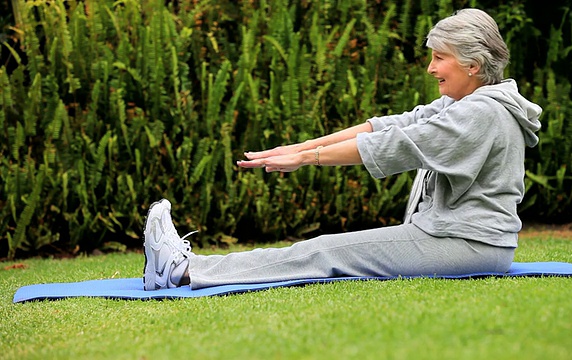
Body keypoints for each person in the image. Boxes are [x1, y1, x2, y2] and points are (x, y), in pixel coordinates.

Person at [142, 8, 542, 291]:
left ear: (472, 65)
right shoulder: (467, 103)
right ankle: (185, 267)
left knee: (323, 252)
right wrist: (305, 145)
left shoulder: (481, 113)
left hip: (468, 245)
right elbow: (393, 124)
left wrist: (304, 159)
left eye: (440, 58)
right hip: (452, 236)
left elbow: (398, 145)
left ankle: (181, 271)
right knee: (326, 250)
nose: (431, 68)